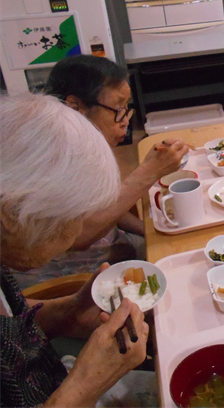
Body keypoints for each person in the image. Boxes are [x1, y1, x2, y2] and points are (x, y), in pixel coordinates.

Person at [0, 93, 149, 407]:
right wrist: (86, 385)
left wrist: (70, 310)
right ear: (10, 215)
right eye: (73, 217)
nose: (76, 234)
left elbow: (10, 328)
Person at [11, 55, 190, 289]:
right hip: (79, 280)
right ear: (76, 107)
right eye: (117, 109)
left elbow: (104, 206)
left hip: (119, 249)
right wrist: (149, 171)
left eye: (127, 109)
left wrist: (152, 230)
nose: (125, 122)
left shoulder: (85, 144)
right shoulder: (48, 158)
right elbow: (80, 236)